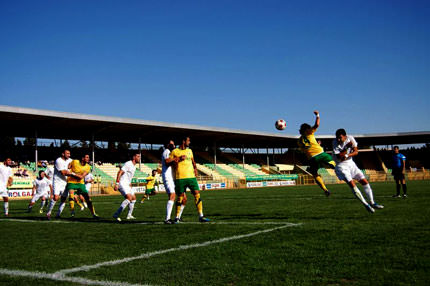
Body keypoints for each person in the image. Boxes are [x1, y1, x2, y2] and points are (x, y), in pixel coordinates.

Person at [332, 129, 384, 213]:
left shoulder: (350, 138)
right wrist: (347, 147)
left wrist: (348, 154)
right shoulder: (334, 143)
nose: (338, 139)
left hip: (351, 163)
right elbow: (340, 157)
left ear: (345, 136)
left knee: (364, 182)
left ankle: (372, 202)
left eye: (340, 138)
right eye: (337, 137)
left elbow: (356, 151)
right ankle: (366, 205)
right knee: (352, 184)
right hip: (341, 166)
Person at [170, 136, 210, 223]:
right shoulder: (174, 151)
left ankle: (201, 216)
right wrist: (178, 159)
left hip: (191, 177)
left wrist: (195, 169)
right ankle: (177, 217)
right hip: (180, 177)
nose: (189, 142)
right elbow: (170, 162)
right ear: (183, 141)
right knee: (180, 197)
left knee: (197, 194)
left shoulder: (190, 151)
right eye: (188, 141)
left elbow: (193, 161)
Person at [297, 110, 336, 196]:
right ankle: (331, 164)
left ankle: (325, 189)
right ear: (307, 128)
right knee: (331, 160)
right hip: (320, 154)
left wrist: (315, 145)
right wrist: (317, 115)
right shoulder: (309, 132)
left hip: (312, 159)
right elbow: (317, 125)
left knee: (315, 174)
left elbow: (305, 149)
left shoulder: (299, 141)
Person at [57, 154, 98, 218]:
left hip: (80, 183)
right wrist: (68, 170)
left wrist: (72, 173)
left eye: (88, 157)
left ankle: (94, 214)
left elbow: (81, 177)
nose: (88, 158)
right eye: (87, 157)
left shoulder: (88, 167)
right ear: (82, 158)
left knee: (88, 199)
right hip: (71, 182)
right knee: (71, 195)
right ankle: (72, 213)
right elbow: (69, 166)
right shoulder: (75, 161)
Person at [113, 153, 141, 221]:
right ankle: (116, 214)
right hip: (122, 183)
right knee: (129, 198)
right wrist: (117, 183)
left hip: (127, 184)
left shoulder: (134, 166)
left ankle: (129, 215)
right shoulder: (128, 163)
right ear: (134, 157)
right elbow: (120, 172)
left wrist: (130, 183)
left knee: (134, 198)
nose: (139, 158)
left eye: (140, 157)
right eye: (138, 156)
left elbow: (128, 176)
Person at [46, 150, 73, 220]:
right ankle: (48, 213)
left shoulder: (70, 160)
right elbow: (63, 172)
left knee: (64, 199)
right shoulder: (58, 160)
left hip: (65, 182)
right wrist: (75, 175)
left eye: (69, 153)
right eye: (67, 153)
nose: (69, 155)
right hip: (57, 182)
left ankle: (58, 214)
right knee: (56, 197)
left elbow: (74, 166)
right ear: (63, 154)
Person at [162, 140, 177, 224]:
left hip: (169, 177)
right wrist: (176, 159)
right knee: (172, 195)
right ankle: (167, 219)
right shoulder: (167, 151)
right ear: (167, 145)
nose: (173, 145)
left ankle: (169, 218)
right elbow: (167, 162)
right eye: (171, 144)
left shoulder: (168, 152)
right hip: (167, 177)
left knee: (172, 196)